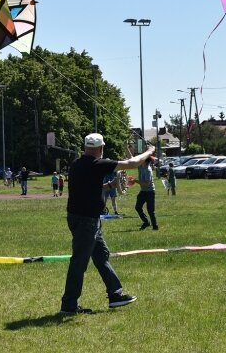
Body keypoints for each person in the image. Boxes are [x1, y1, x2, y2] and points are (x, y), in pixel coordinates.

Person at [60, 133, 155, 315]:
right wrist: (149, 151)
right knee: (79, 263)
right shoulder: (98, 164)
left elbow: (88, 188)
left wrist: (111, 186)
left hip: (84, 219)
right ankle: (69, 305)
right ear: (101, 148)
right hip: (86, 220)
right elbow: (132, 163)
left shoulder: (77, 164)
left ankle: (115, 295)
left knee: (102, 256)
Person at [129, 156, 158, 230]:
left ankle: (155, 227)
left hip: (150, 192)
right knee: (138, 207)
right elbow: (132, 159)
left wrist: (135, 181)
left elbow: (146, 183)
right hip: (143, 191)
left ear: (145, 161)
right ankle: (146, 222)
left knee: (150, 210)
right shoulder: (141, 166)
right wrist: (126, 148)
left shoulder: (148, 170)